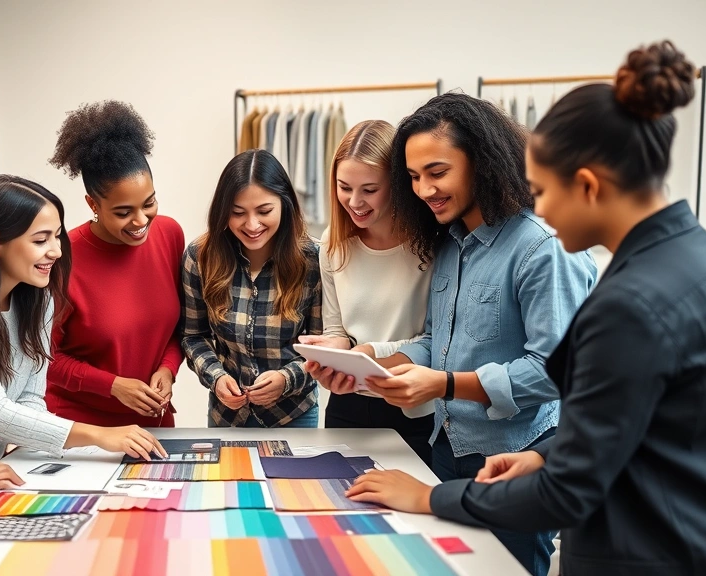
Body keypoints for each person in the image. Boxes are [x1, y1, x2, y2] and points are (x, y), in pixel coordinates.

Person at [346, 40, 706, 576]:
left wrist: (429, 498)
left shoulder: (623, 300)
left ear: (587, 185)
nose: (542, 210)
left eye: (542, 190)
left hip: (647, 551)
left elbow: (568, 487)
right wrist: (548, 453)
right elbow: (644, 418)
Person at [311, 92, 597, 576]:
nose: (423, 190)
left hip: (515, 460)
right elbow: (438, 343)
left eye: (437, 173)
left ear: (481, 162)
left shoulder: (541, 248)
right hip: (447, 449)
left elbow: (555, 371)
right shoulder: (451, 242)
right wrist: (377, 363)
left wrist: (442, 384)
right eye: (414, 177)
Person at [0, 175, 167, 508]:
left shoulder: (38, 298)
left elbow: (30, 400)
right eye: (40, 240)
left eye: (58, 236)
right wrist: (100, 434)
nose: (56, 250)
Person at [297, 120, 434, 464]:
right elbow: (338, 330)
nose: (355, 202)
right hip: (348, 405)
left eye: (370, 189)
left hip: (413, 407)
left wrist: (370, 352)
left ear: (398, 184)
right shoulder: (333, 242)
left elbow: (438, 340)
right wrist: (333, 351)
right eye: (344, 187)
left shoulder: (432, 244)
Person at [44, 101, 185, 427]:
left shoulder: (169, 234)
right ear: (93, 204)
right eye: (123, 212)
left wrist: (168, 368)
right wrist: (113, 386)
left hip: (152, 423)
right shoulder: (62, 258)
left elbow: (180, 328)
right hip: (80, 430)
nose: (141, 220)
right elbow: (46, 358)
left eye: (149, 203)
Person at [182, 149, 322, 427]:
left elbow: (326, 345)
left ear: (285, 204)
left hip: (292, 416)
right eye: (237, 213)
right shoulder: (200, 256)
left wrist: (287, 379)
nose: (252, 224)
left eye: (264, 211)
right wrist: (217, 377)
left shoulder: (314, 259)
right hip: (226, 416)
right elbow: (193, 336)